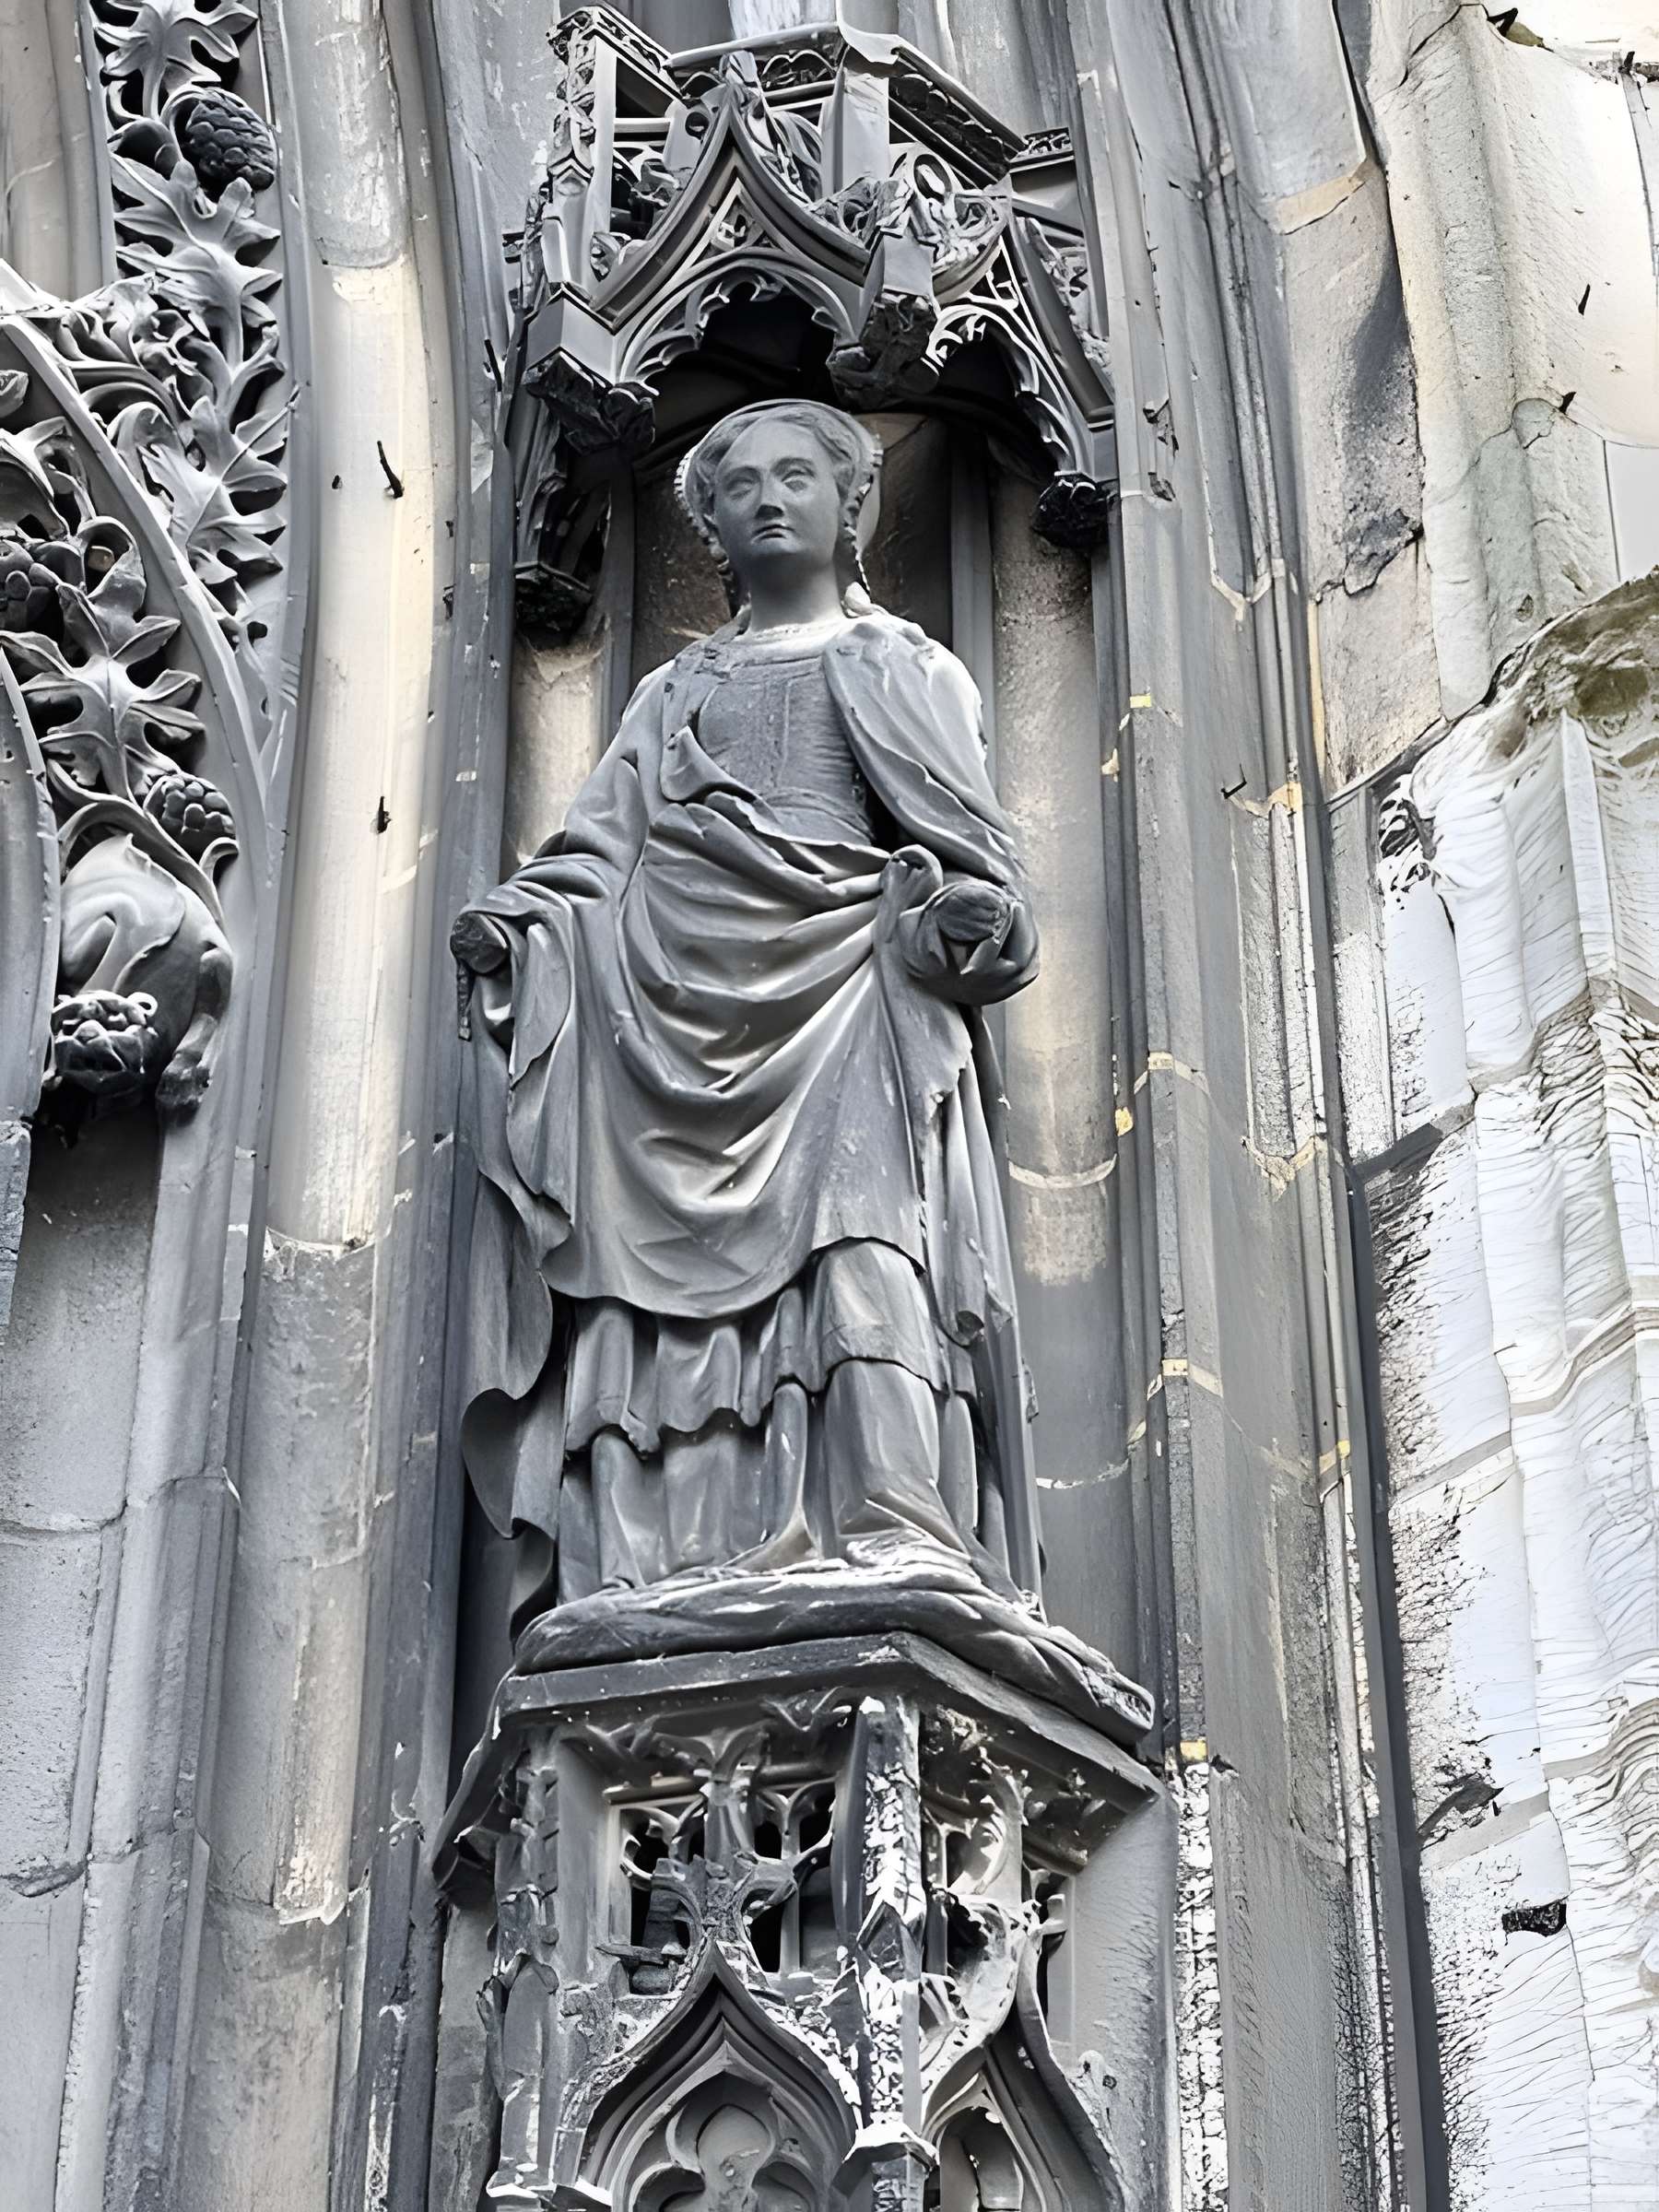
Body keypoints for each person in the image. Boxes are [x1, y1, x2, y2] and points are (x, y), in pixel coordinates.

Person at [452, 398, 1040, 1623]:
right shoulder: (675, 692)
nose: (771, 499)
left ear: (849, 505)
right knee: (638, 1284)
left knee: (868, 1248)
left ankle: (892, 1520)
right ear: (711, 524)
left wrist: (965, 924)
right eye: (742, 486)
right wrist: (528, 927)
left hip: (846, 998)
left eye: (797, 478)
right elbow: (596, 856)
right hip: (664, 1016)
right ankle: (639, 1562)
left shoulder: (898, 667)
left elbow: (978, 869)